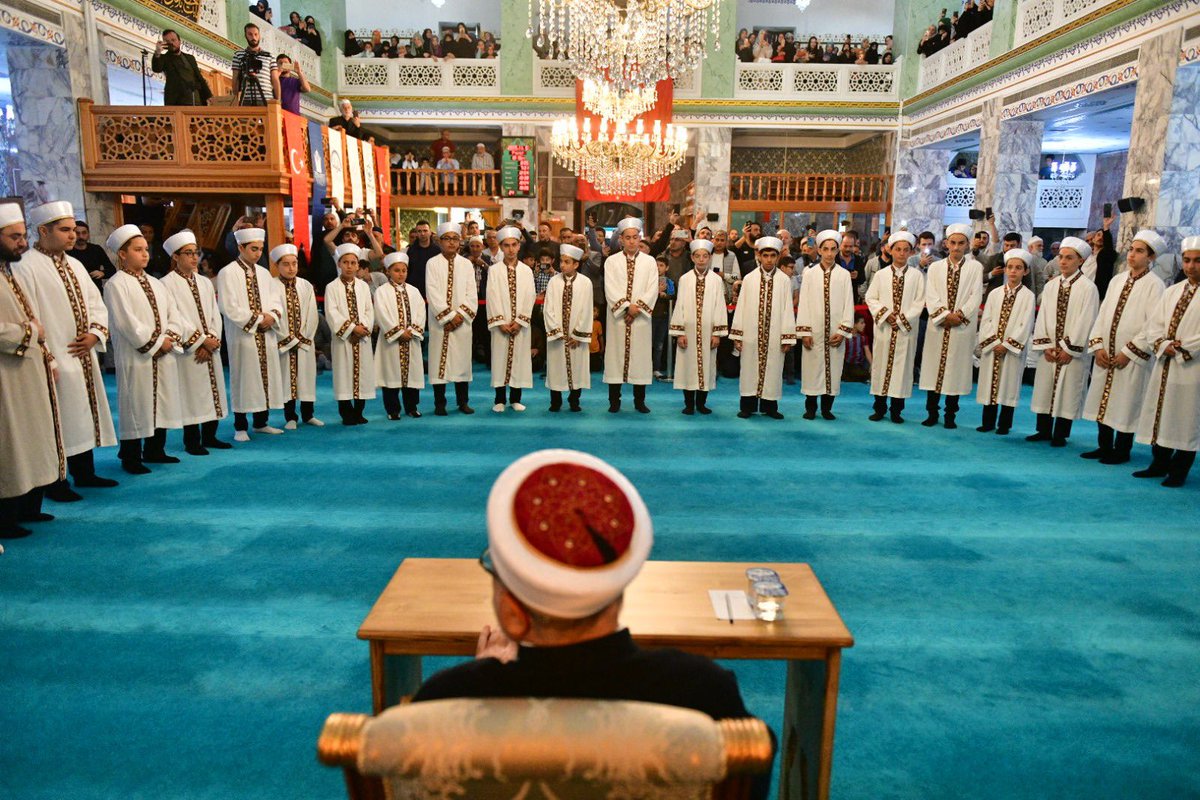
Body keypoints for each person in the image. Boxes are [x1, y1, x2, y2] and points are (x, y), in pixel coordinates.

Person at [412, 449, 759, 734]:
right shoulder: (702, 693)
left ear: (512, 615)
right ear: (620, 588)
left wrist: (484, 674)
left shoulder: (447, 703)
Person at [16, 201, 117, 497]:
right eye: (65, 230)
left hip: (82, 356)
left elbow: (97, 304)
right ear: (43, 231)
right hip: (54, 358)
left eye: (73, 229)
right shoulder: (26, 265)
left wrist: (95, 334)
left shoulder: (75, 264)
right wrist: (47, 356)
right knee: (58, 419)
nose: (72, 236)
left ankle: (85, 473)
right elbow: (28, 314)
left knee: (82, 414)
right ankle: (55, 482)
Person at [0, 202, 65, 540]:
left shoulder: (8, 271)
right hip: (7, 375)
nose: (21, 243)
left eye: (23, 235)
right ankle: (6, 518)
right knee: (12, 443)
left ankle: (28, 508)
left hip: (27, 367)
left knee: (32, 436)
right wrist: (30, 333)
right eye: (14, 237)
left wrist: (46, 353)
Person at [1080, 230, 1166, 464]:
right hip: (1106, 353)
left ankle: (1122, 450)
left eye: (1139, 251)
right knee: (1102, 399)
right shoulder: (1117, 280)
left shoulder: (1154, 285)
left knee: (1126, 401)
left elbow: (1152, 324)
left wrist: (1128, 352)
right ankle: (1104, 445)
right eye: (1131, 249)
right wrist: (1097, 346)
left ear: (1150, 257)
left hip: (1130, 357)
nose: (1132, 255)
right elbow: (1102, 313)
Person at [103, 224, 184, 474]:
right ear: (123, 254)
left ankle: (155, 450)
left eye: (146, 249)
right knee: (136, 404)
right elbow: (126, 323)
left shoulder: (156, 283)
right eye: (138, 250)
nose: (145, 254)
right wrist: (156, 344)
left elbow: (174, 314)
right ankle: (131, 457)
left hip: (163, 354)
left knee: (161, 401)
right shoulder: (116, 284)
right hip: (136, 356)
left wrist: (170, 337)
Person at [1133, 236, 1200, 487]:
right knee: (1161, 414)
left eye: (1197, 261)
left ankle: (1179, 470)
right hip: (1164, 365)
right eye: (1187, 260)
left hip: (1192, 368)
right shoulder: (1172, 291)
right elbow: (1154, 325)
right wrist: (1162, 344)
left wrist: (1182, 348)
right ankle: (1158, 463)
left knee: (1185, 418)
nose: (1191, 266)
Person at [160, 229, 230, 456]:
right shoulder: (166, 284)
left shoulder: (205, 282)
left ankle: (211, 435)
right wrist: (199, 341)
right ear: (175, 257)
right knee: (191, 393)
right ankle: (192, 441)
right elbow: (174, 317)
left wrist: (213, 339)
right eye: (188, 253)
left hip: (210, 346)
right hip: (189, 350)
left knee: (213, 390)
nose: (193, 257)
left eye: (195, 253)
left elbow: (213, 313)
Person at [1027, 236, 1100, 447]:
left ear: (1080, 261)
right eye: (1061, 257)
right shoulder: (1051, 286)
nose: (1063, 261)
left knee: (1067, 390)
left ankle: (1060, 434)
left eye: (1069, 258)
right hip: (1050, 348)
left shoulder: (1087, 288)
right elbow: (1043, 317)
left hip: (1071, 352)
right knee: (1045, 388)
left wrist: (1069, 348)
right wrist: (1047, 345)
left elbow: (1087, 320)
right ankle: (1042, 429)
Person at [216, 227, 285, 441]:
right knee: (244, 378)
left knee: (265, 378)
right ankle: (240, 426)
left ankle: (261, 422)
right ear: (240, 247)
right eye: (253, 249)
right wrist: (257, 319)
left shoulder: (264, 274)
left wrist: (272, 316)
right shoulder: (228, 272)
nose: (257, 254)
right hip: (244, 336)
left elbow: (276, 301)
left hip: (266, 335)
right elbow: (229, 307)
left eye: (260, 249)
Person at [918, 223, 983, 429]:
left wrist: (959, 316)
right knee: (933, 369)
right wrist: (945, 315)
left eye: (960, 243)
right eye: (952, 243)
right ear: (946, 244)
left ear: (967, 245)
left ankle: (950, 415)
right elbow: (931, 294)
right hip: (938, 326)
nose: (956, 247)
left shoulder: (975, 268)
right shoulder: (936, 267)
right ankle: (931, 413)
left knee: (955, 371)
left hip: (961, 328)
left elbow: (975, 296)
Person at [731, 236, 795, 419]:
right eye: (765, 255)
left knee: (774, 369)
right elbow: (741, 306)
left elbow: (788, 309)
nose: (768, 259)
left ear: (777, 257)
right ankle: (747, 406)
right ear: (758, 256)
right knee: (749, 368)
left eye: (772, 256)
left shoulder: (784, 280)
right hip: (751, 333)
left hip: (774, 335)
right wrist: (738, 335)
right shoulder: (750, 279)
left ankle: (770, 407)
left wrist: (787, 337)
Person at [865, 232, 926, 423]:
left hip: (905, 332)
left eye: (905, 250)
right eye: (897, 249)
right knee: (881, 367)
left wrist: (900, 320)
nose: (901, 253)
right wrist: (885, 314)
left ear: (911, 252)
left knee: (902, 370)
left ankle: (896, 411)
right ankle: (879, 408)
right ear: (890, 250)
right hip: (884, 330)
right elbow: (870, 297)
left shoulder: (917, 276)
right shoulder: (881, 275)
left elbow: (919, 302)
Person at [796, 230, 855, 420]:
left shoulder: (844, 275)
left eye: (833, 249)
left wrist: (843, 330)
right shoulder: (810, 274)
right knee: (812, 369)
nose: (829, 253)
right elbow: (803, 302)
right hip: (814, 331)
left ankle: (827, 409)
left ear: (837, 251)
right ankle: (810, 408)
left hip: (835, 332)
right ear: (819, 250)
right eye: (826, 249)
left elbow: (848, 304)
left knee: (833, 369)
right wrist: (804, 331)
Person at [976, 250, 1036, 435]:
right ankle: (987, 422)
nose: (1013, 271)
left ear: (1025, 272)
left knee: (1008, 384)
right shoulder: (994, 293)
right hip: (993, 348)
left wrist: (1007, 345)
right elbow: (986, 320)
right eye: (1010, 267)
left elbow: (1025, 324)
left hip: (1010, 351)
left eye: (1018, 268)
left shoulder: (1028, 296)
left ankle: (1004, 424)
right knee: (989, 385)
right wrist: (994, 342)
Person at [604, 218, 658, 414]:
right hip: (619, 318)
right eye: (628, 238)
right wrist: (626, 307)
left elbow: (652, 288)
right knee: (615, 358)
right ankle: (614, 401)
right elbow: (610, 287)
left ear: (640, 238)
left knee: (640, 359)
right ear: (621, 240)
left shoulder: (650, 262)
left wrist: (637, 308)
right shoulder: (611, 261)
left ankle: (639, 401)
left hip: (641, 319)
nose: (632, 242)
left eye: (635, 237)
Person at [670, 239, 726, 415]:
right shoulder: (685, 279)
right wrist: (679, 333)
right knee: (688, 366)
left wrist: (717, 333)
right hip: (689, 331)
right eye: (698, 256)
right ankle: (688, 404)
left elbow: (720, 306)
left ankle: (701, 403)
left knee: (706, 367)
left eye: (705, 256)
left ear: (709, 258)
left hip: (708, 331)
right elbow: (680, 305)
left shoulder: (716, 281)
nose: (701, 259)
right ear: (693, 258)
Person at [426, 222, 477, 415]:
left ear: (459, 241)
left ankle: (463, 402)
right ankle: (440, 404)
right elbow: (432, 292)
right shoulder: (432, 263)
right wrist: (447, 316)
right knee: (439, 361)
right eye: (447, 239)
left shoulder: (466, 264)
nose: (451, 242)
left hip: (461, 323)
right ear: (439, 241)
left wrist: (460, 315)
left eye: (454, 238)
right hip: (441, 323)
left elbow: (471, 293)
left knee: (462, 362)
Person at [272, 243, 323, 429]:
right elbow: (273, 315)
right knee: (287, 379)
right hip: (284, 343)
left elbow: (312, 314)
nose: (291, 268)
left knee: (307, 377)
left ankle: (308, 414)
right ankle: (290, 416)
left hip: (304, 343)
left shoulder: (306, 285)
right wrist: (288, 338)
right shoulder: (271, 286)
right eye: (286, 264)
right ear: (278, 265)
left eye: (294, 263)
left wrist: (303, 337)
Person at [325, 243, 375, 425]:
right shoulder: (332, 287)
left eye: (353, 263)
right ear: (339, 264)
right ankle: (346, 413)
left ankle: (359, 411)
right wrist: (351, 329)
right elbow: (332, 312)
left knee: (363, 374)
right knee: (343, 375)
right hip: (343, 340)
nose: (349, 266)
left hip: (362, 338)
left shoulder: (363, 286)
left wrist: (363, 329)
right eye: (345, 262)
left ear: (357, 265)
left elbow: (370, 310)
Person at [487, 226, 535, 413]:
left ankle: (516, 398)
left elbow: (530, 296)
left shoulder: (526, 271)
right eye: (506, 246)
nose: (511, 249)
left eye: (514, 245)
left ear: (519, 246)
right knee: (499, 359)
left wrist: (520, 321)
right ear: (501, 247)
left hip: (519, 325)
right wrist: (500, 322)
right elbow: (492, 296)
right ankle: (499, 398)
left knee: (519, 360)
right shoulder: (494, 270)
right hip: (501, 325)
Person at [374, 251, 425, 419]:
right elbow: (382, 314)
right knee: (391, 376)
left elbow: (420, 312)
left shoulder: (414, 291)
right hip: (392, 341)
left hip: (411, 339)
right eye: (396, 270)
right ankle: (392, 409)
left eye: (404, 270)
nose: (401, 273)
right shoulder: (382, 292)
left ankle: (412, 407)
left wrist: (412, 331)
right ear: (388, 271)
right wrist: (397, 332)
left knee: (411, 376)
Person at [543, 243, 592, 412]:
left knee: (577, 368)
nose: (562, 265)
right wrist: (557, 331)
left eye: (567, 262)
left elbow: (587, 310)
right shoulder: (553, 282)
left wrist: (578, 335)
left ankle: (574, 401)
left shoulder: (586, 283)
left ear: (576, 264)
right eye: (561, 261)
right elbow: (548, 309)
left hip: (575, 337)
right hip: (558, 336)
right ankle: (555, 401)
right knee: (556, 368)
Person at [152, 29, 213, 106]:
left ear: (179, 41)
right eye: (167, 41)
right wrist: (157, 52)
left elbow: (199, 78)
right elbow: (156, 68)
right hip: (177, 103)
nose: (171, 43)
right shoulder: (164, 58)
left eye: (173, 40)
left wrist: (208, 95)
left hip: (197, 101)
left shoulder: (190, 58)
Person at [231, 22, 278, 106]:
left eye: (256, 34)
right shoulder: (238, 55)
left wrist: (277, 101)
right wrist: (235, 99)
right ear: (245, 36)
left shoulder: (270, 56)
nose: (253, 37)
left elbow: (275, 79)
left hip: (267, 99)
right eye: (250, 34)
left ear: (259, 35)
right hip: (246, 99)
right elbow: (235, 79)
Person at [72, 220, 115, 288]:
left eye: (84, 233)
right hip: (77, 289)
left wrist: (102, 273)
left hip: (96, 290)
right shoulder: (67, 252)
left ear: (88, 234)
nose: (81, 236)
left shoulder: (96, 249)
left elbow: (112, 269)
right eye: (77, 233)